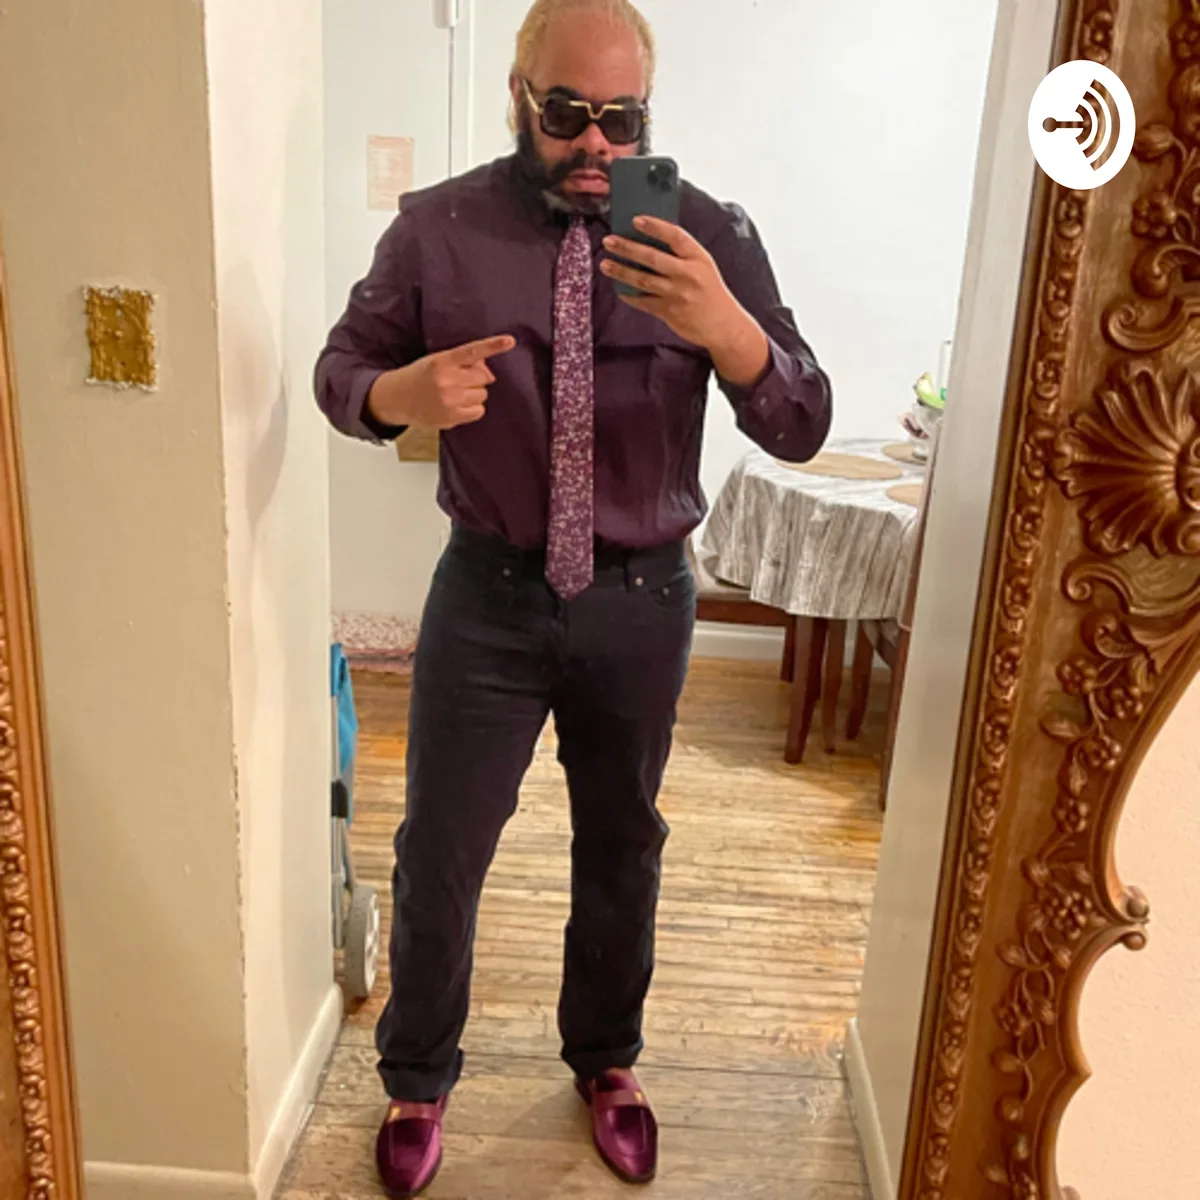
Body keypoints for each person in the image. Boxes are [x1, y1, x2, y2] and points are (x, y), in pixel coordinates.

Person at [314, 0, 831, 1193]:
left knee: (623, 841)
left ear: (648, 116)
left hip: (641, 603)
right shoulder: (437, 230)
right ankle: (417, 1080)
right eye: (567, 112)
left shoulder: (708, 234)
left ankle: (606, 1061)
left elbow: (802, 419)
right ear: (518, 97)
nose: (597, 143)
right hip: (485, 596)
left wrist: (729, 332)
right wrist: (397, 396)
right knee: (442, 845)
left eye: (623, 118)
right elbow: (340, 370)